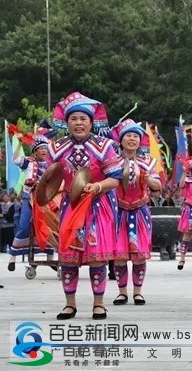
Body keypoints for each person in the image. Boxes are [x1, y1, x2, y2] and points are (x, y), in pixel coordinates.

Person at [50, 92, 123, 320]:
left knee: (97, 257)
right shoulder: (57, 147)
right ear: (67, 122)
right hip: (70, 207)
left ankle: (98, 304)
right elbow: (50, 178)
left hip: (98, 207)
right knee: (68, 257)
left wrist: (97, 187)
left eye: (83, 119)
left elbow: (115, 179)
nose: (78, 123)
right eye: (74, 119)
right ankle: (69, 304)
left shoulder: (105, 146)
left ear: (91, 122)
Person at [111, 119, 162, 306]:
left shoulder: (148, 162)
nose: (132, 139)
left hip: (140, 211)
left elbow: (158, 185)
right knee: (120, 255)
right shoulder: (112, 161)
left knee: (139, 254)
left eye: (135, 136)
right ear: (121, 140)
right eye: (128, 136)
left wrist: (148, 178)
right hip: (118, 212)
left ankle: (138, 291)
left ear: (140, 141)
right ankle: (122, 292)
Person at [7, 129, 56, 271]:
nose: (44, 151)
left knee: (49, 226)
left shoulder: (51, 165)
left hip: (46, 199)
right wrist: (18, 144)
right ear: (35, 151)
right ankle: (13, 258)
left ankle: (50, 259)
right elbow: (15, 159)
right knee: (23, 226)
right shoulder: (28, 162)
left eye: (45, 149)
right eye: (41, 149)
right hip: (30, 197)